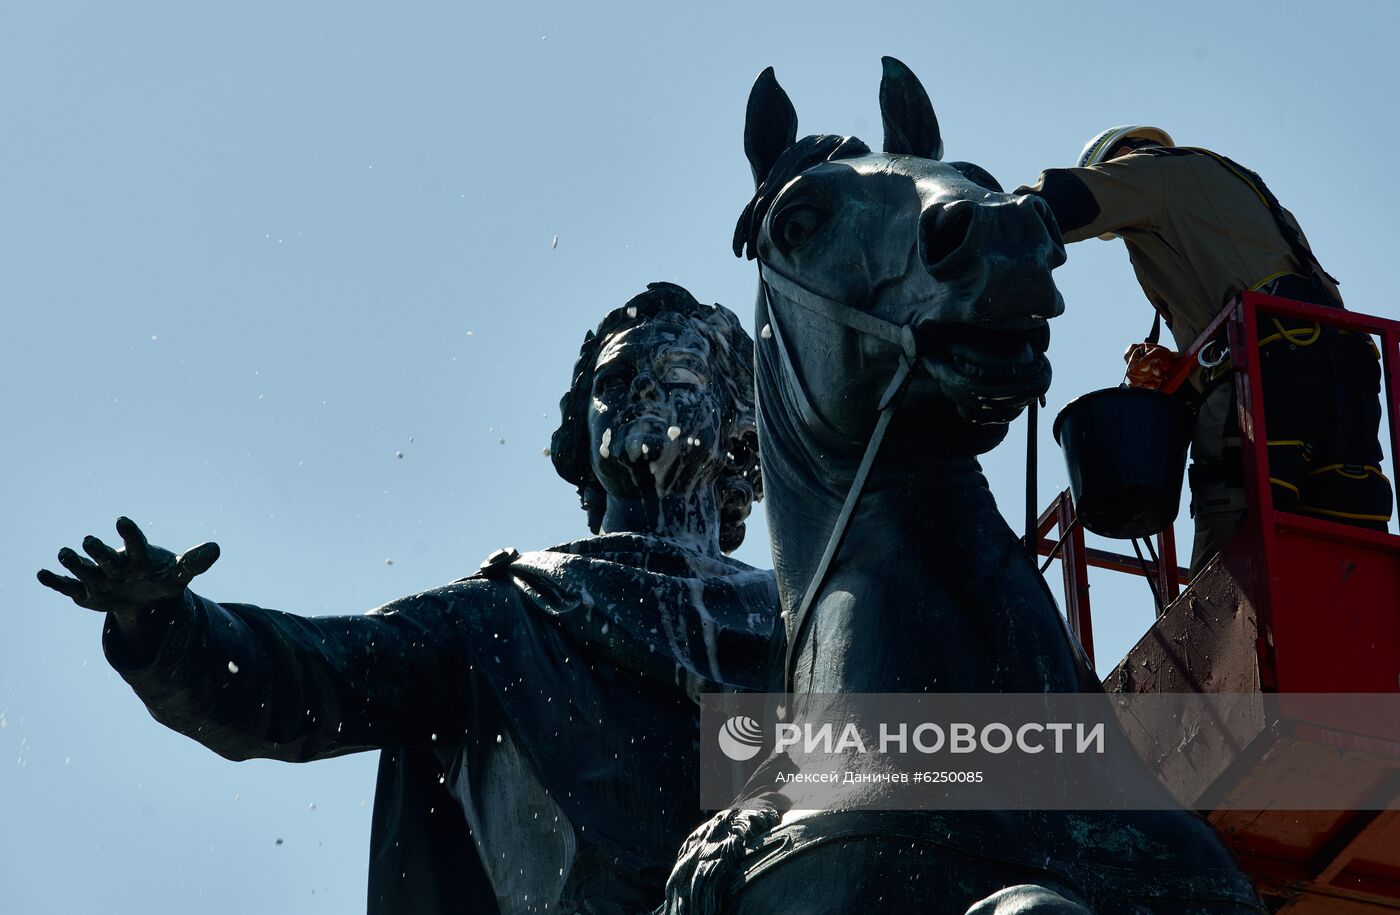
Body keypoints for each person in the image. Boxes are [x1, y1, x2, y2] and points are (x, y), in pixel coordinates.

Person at [37, 282, 780, 915]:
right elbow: (310, 678)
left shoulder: (805, 632)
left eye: (675, 373)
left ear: (743, 436)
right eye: (614, 384)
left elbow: (880, 820)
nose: (640, 392)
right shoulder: (503, 620)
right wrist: (170, 626)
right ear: (580, 442)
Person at [1018, 126, 1392, 572]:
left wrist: (985, 216)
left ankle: (1233, 632)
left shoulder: (1150, 171)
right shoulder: (1228, 183)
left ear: (1120, 157)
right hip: (1345, 367)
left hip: (1268, 363)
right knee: (1344, 533)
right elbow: (1246, 282)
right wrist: (1184, 371)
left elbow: (1063, 199)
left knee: (1234, 522)